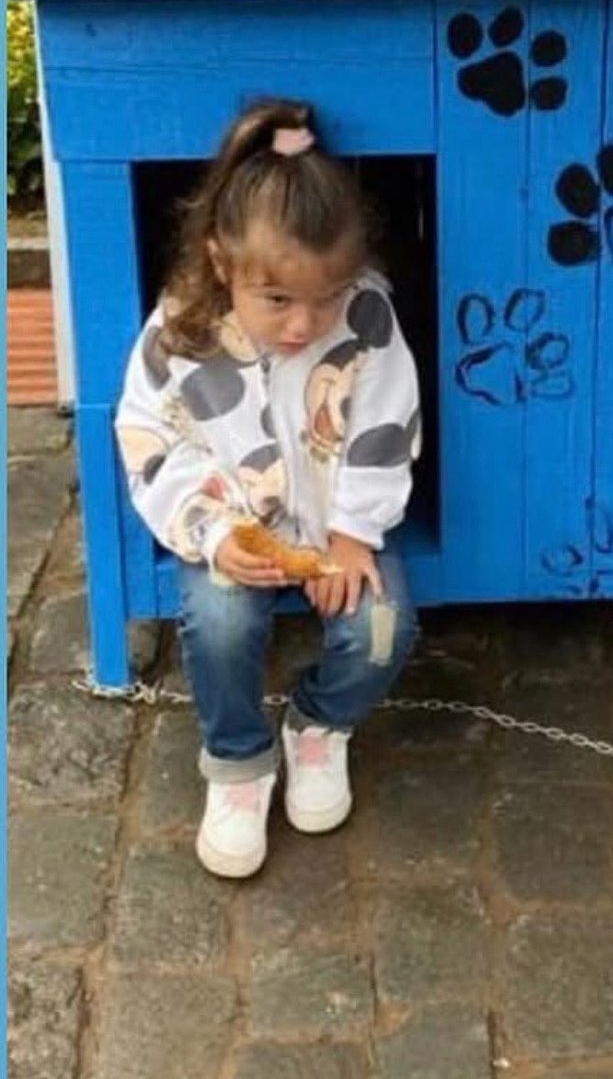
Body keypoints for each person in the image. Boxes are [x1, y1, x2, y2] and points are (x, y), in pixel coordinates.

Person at [116, 98, 421, 878]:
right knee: (218, 622)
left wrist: (352, 532)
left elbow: (386, 427)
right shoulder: (178, 333)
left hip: (331, 529)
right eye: (278, 301)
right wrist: (215, 533)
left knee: (384, 626)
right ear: (223, 264)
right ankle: (239, 759)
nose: (300, 325)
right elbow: (153, 443)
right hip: (230, 527)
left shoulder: (366, 320)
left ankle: (319, 725)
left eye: (325, 298)